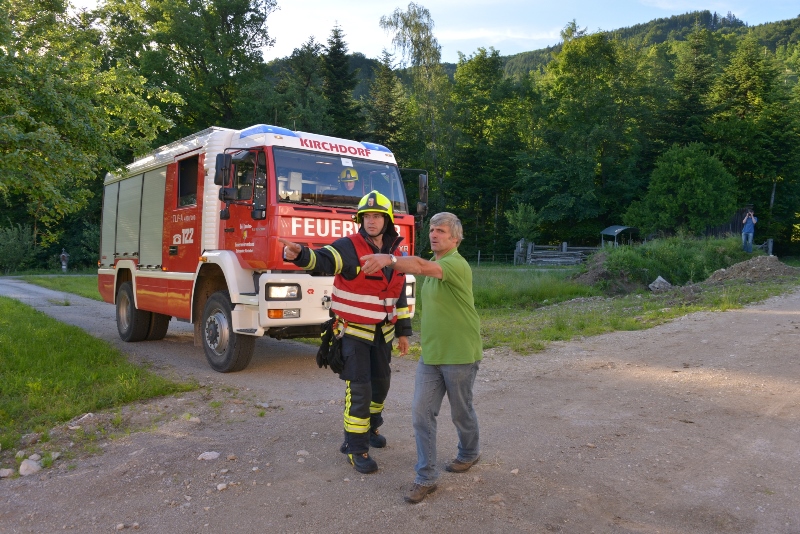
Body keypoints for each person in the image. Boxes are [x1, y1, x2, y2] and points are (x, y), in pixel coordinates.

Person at [278, 191, 411, 474]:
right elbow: (324, 260)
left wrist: (403, 331)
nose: (371, 221)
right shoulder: (349, 247)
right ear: (360, 220)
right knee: (360, 391)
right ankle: (355, 447)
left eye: (377, 216)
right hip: (354, 334)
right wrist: (301, 255)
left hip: (383, 336)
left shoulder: (395, 252)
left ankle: (371, 430)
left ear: (387, 220)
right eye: (366, 217)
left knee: (381, 386)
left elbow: (396, 293)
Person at [361, 212, 482, 504]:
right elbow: (414, 267)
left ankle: (469, 452)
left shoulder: (455, 264)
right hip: (431, 356)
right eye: (431, 229)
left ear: (455, 238)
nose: (434, 234)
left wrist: (388, 259)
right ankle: (425, 477)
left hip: (460, 354)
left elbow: (416, 264)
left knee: (460, 411)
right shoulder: (437, 264)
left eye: (441, 231)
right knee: (420, 413)